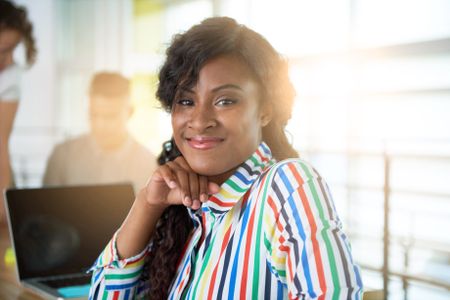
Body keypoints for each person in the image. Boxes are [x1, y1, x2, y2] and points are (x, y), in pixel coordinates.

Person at [89, 17, 363, 299]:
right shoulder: (189, 217)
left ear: (265, 109)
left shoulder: (285, 185)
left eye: (225, 101)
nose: (200, 120)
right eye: (186, 101)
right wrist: (148, 204)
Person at [43, 72, 156, 192]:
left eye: (110, 116)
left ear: (129, 112)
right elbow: (44, 208)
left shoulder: (149, 165)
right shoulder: (62, 156)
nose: (100, 125)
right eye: (94, 114)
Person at [0, 0, 37, 224]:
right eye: (3, 51)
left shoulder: (9, 78)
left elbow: (0, 143)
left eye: (13, 49)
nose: (10, 59)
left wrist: (2, 206)